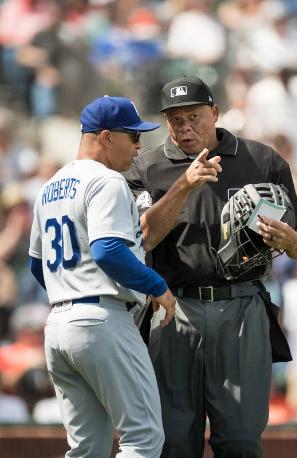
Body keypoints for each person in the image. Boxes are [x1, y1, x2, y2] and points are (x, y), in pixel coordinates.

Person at [125, 76, 297, 458]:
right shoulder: (146, 167)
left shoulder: (262, 159)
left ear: (214, 112)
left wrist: (288, 240)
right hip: (172, 308)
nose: (185, 127)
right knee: (173, 444)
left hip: (242, 306)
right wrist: (183, 185)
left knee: (242, 442)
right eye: (175, 120)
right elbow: (142, 238)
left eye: (194, 116)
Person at [29, 95, 176, 458]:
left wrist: (70, 290)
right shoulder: (107, 181)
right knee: (143, 439)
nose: (139, 146)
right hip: (101, 320)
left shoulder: (49, 187)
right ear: (107, 137)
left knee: (86, 449)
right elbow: (108, 250)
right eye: (133, 136)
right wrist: (157, 287)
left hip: (59, 325)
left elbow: (37, 265)